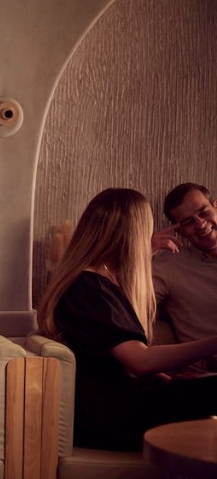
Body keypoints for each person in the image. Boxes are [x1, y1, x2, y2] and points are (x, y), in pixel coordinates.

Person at [37, 188, 217, 451]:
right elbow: (140, 361)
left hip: (122, 404)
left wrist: (169, 379)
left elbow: (116, 362)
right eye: (145, 231)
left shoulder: (99, 281)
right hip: (110, 415)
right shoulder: (88, 287)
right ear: (129, 234)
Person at [150, 183, 217, 354]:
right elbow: (125, 309)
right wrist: (145, 251)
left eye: (204, 213)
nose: (200, 224)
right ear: (179, 231)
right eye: (188, 222)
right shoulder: (169, 266)